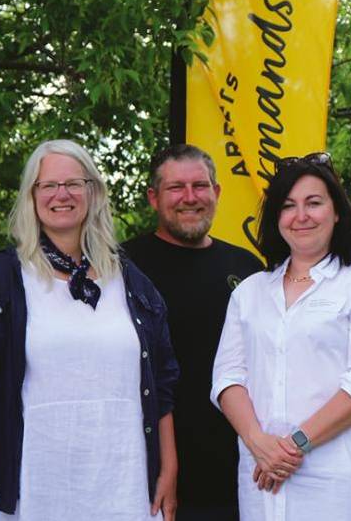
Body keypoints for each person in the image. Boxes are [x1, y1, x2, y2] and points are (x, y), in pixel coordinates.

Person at [0, 139, 180, 521]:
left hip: (125, 488)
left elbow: (163, 384)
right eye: (49, 185)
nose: (62, 194)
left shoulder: (130, 280)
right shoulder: (4, 279)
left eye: (74, 183)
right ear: (32, 196)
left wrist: (168, 471)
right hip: (38, 491)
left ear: (92, 192)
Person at [211, 152, 351, 520]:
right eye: (288, 206)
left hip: (340, 489)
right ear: (276, 218)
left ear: (336, 212)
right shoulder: (249, 292)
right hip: (263, 483)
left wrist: (291, 447)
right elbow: (227, 378)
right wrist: (258, 443)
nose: (301, 216)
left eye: (313, 203)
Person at [123, 144, 263, 521]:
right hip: (148, 474)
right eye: (176, 188)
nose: (190, 198)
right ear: (153, 198)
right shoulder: (121, 267)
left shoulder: (248, 268)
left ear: (217, 193)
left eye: (200, 186)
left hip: (239, 472)